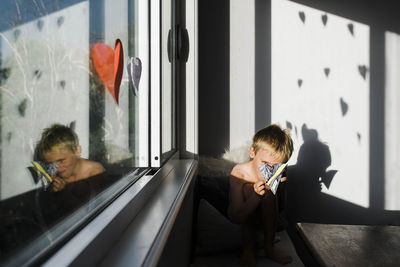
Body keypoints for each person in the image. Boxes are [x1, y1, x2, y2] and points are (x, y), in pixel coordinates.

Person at [227, 124, 294, 266]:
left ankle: (269, 248)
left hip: (267, 219)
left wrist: (281, 189)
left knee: (269, 194)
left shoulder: (279, 176)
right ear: (252, 152)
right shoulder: (239, 173)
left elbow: (282, 209)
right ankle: (248, 249)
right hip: (240, 212)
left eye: (275, 167)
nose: (269, 170)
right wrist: (256, 196)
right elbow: (236, 216)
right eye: (264, 163)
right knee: (248, 189)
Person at [38, 124, 105, 192]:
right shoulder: (58, 176)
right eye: (51, 164)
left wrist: (64, 191)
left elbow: (93, 201)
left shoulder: (94, 172)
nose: (57, 168)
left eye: (62, 160)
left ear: (76, 151)